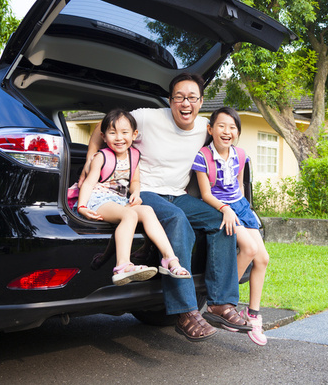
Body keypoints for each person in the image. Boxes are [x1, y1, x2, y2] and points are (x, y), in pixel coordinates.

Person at [81, 73, 251, 342]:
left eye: (192, 98)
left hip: (178, 193)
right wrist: (90, 165)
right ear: (170, 100)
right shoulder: (147, 117)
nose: (186, 103)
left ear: (201, 102)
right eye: (180, 97)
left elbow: (225, 149)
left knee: (220, 220)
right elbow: (100, 130)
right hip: (143, 192)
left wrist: (232, 203)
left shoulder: (206, 128)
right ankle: (185, 312)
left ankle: (221, 303)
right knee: (176, 219)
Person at [76, 109, 191, 286]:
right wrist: (82, 206)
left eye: (124, 132)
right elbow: (89, 183)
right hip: (99, 199)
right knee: (130, 215)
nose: (119, 138)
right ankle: (122, 266)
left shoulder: (134, 156)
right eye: (112, 133)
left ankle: (170, 260)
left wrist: (136, 193)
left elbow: (135, 181)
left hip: (120, 200)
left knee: (146, 210)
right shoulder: (101, 157)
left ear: (134, 134)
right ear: (104, 136)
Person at [192, 106, 270, 346]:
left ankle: (253, 314)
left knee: (263, 259)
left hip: (240, 207)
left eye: (233, 127)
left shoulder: (241, 155)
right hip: (220, 207)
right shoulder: (203, 156)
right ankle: (221, 302)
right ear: (210, 129)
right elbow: (205, 194)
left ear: (238, 132)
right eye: (222, 126)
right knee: (248, 249)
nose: (227, 131)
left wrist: (245, 208)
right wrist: (225, 209)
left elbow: (239, 185)